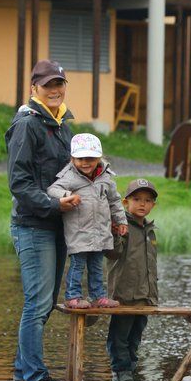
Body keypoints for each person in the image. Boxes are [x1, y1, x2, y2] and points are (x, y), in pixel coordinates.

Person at [6, 60, 77, 381]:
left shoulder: (64, 126)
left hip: (58, 223)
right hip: (33, 225)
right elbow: (19, 183)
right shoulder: (27, 125)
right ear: (33, 88)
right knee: (37, 303)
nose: (54, 90)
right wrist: (54, 205)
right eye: (48, 84)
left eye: (59, 84)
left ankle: (23, 372)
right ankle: (36, 379)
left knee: (45, 303)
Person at [47, 133, 127, 310]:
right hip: (79, 232)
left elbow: (114, 201)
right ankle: (72, 296)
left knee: (97, 266)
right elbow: (52, 190)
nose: (85, 163)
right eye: (80, 159)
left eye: (90, 159)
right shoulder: (69, 176)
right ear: (73, 159)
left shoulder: (106, 178)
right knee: (77, 265)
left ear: (99, 158)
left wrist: (121, 221)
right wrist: (68, 195)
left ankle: (98, 296)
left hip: (100, 232)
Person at [105, 178, 160, 381]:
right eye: (136, 199)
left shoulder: (150, 230)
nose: (142, 204)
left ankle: (131, 372)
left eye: (147, 200)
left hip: (145, 297)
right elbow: (112, 253)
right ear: (125, 202)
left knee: (135, 336)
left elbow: (151, 265)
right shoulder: (122, 226)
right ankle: (121, 374)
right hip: (123, 295)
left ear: (153, 205)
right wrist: (114, 233)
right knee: (120, 337)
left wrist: (153, 293)